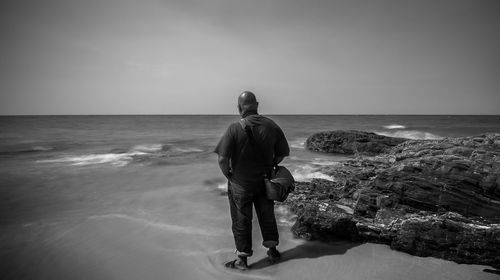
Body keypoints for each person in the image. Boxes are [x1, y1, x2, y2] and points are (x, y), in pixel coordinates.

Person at [214, 91, 290, 270]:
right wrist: (270, 165)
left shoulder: (234, 128)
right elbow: (281, 153)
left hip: (240, 183)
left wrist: (229, 175)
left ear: (239, 108)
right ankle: (272, 251)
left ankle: (242, 259)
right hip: (264, 182)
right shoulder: (272, 126)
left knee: (241, 219)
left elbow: (222, 159)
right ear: (257, 105)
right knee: (267, 215)